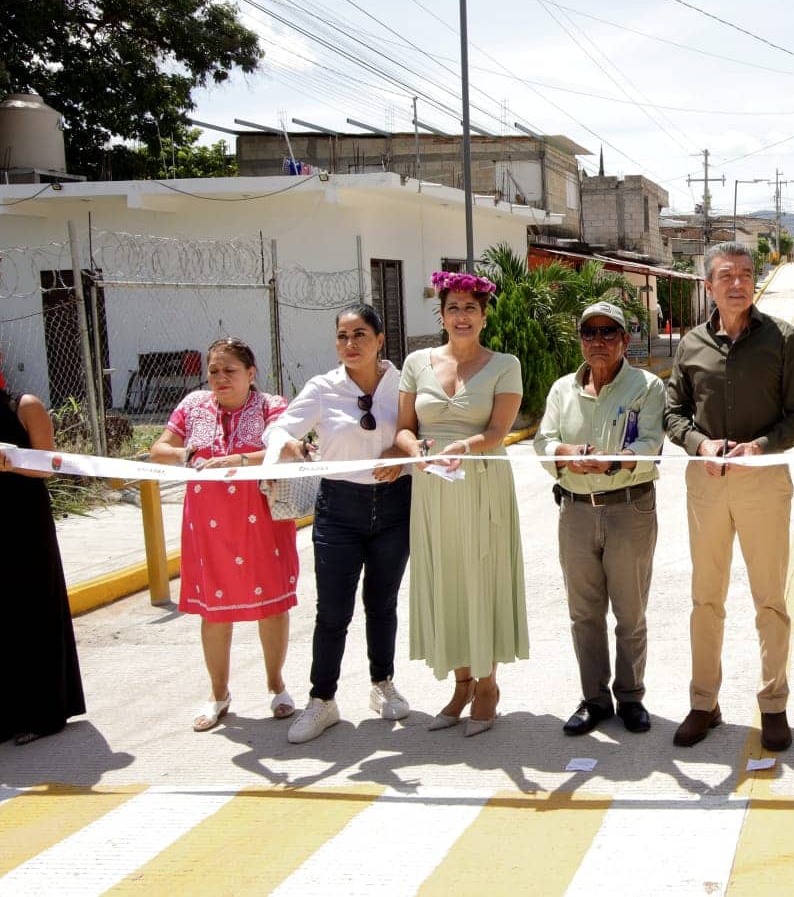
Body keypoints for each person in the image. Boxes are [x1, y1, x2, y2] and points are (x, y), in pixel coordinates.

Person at [664, 241, 794, 751]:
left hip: (763, 481)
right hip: (706, 483)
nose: (737, 283)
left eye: (746, 274)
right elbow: (673, 412)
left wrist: (761, 446)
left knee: (769, 598)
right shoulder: (690, 345)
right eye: (726, 275)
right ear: (708, 285)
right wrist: (698, 442)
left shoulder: (783, 339)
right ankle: (703, 702)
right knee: (706, 598)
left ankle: (774, 703)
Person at [265, 303, 412, 744]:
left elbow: (421, 431)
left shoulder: (404, 383)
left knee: (382, 603)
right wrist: (288, 443)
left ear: (380, 339)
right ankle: (322, 700)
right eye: (343, 336)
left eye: (361, 334)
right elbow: (278, 428)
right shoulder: (322, 387)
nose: (351, 344)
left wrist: (402, 456)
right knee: (332, 611)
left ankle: (382, 683)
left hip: (394, 506)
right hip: (339, 509)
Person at [395, 271, 526, 738]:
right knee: (446, 578)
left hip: (480, 479)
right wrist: (415, 453)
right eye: (453, 308)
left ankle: (488, 686)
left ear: (485, 316)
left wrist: (462, 448)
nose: (462, 316)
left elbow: (496, 433)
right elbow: (404, 428)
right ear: (442, 315)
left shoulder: (504, 364)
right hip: (433, 487)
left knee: (482, 578)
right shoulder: (416, 362)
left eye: (471, 308)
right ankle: (462, 682)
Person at [149, 337, 300, 731]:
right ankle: (219, 694)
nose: (220, 378)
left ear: (251, 374)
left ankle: (276, 685)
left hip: (262, 520)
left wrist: (239, 459)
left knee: (271, 605)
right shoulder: (192, 407)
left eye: (229, 370)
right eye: (214, 371)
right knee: (214, 612)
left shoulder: (273, 407)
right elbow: (158, 450)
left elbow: (288, 449)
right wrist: (190, 455)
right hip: (208, 525)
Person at [534, 301, 666, 737]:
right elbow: (543, 441)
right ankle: (594, 698)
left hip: (629, 508)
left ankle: (630, 696)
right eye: (589, 333)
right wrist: (566, 455)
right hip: (574, 511)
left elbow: (650, 443)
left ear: (625, 341)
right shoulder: (561, 390)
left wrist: (613, 463)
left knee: (630, 612)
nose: (598, 341)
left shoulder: (646, 387)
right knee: (583, 613)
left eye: (609, 333)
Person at [0, 387, 86, 744]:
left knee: (32, 611)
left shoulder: (24, 405)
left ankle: (45, 713)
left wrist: (10, 459)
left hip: (22, 524)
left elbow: (48, 465)